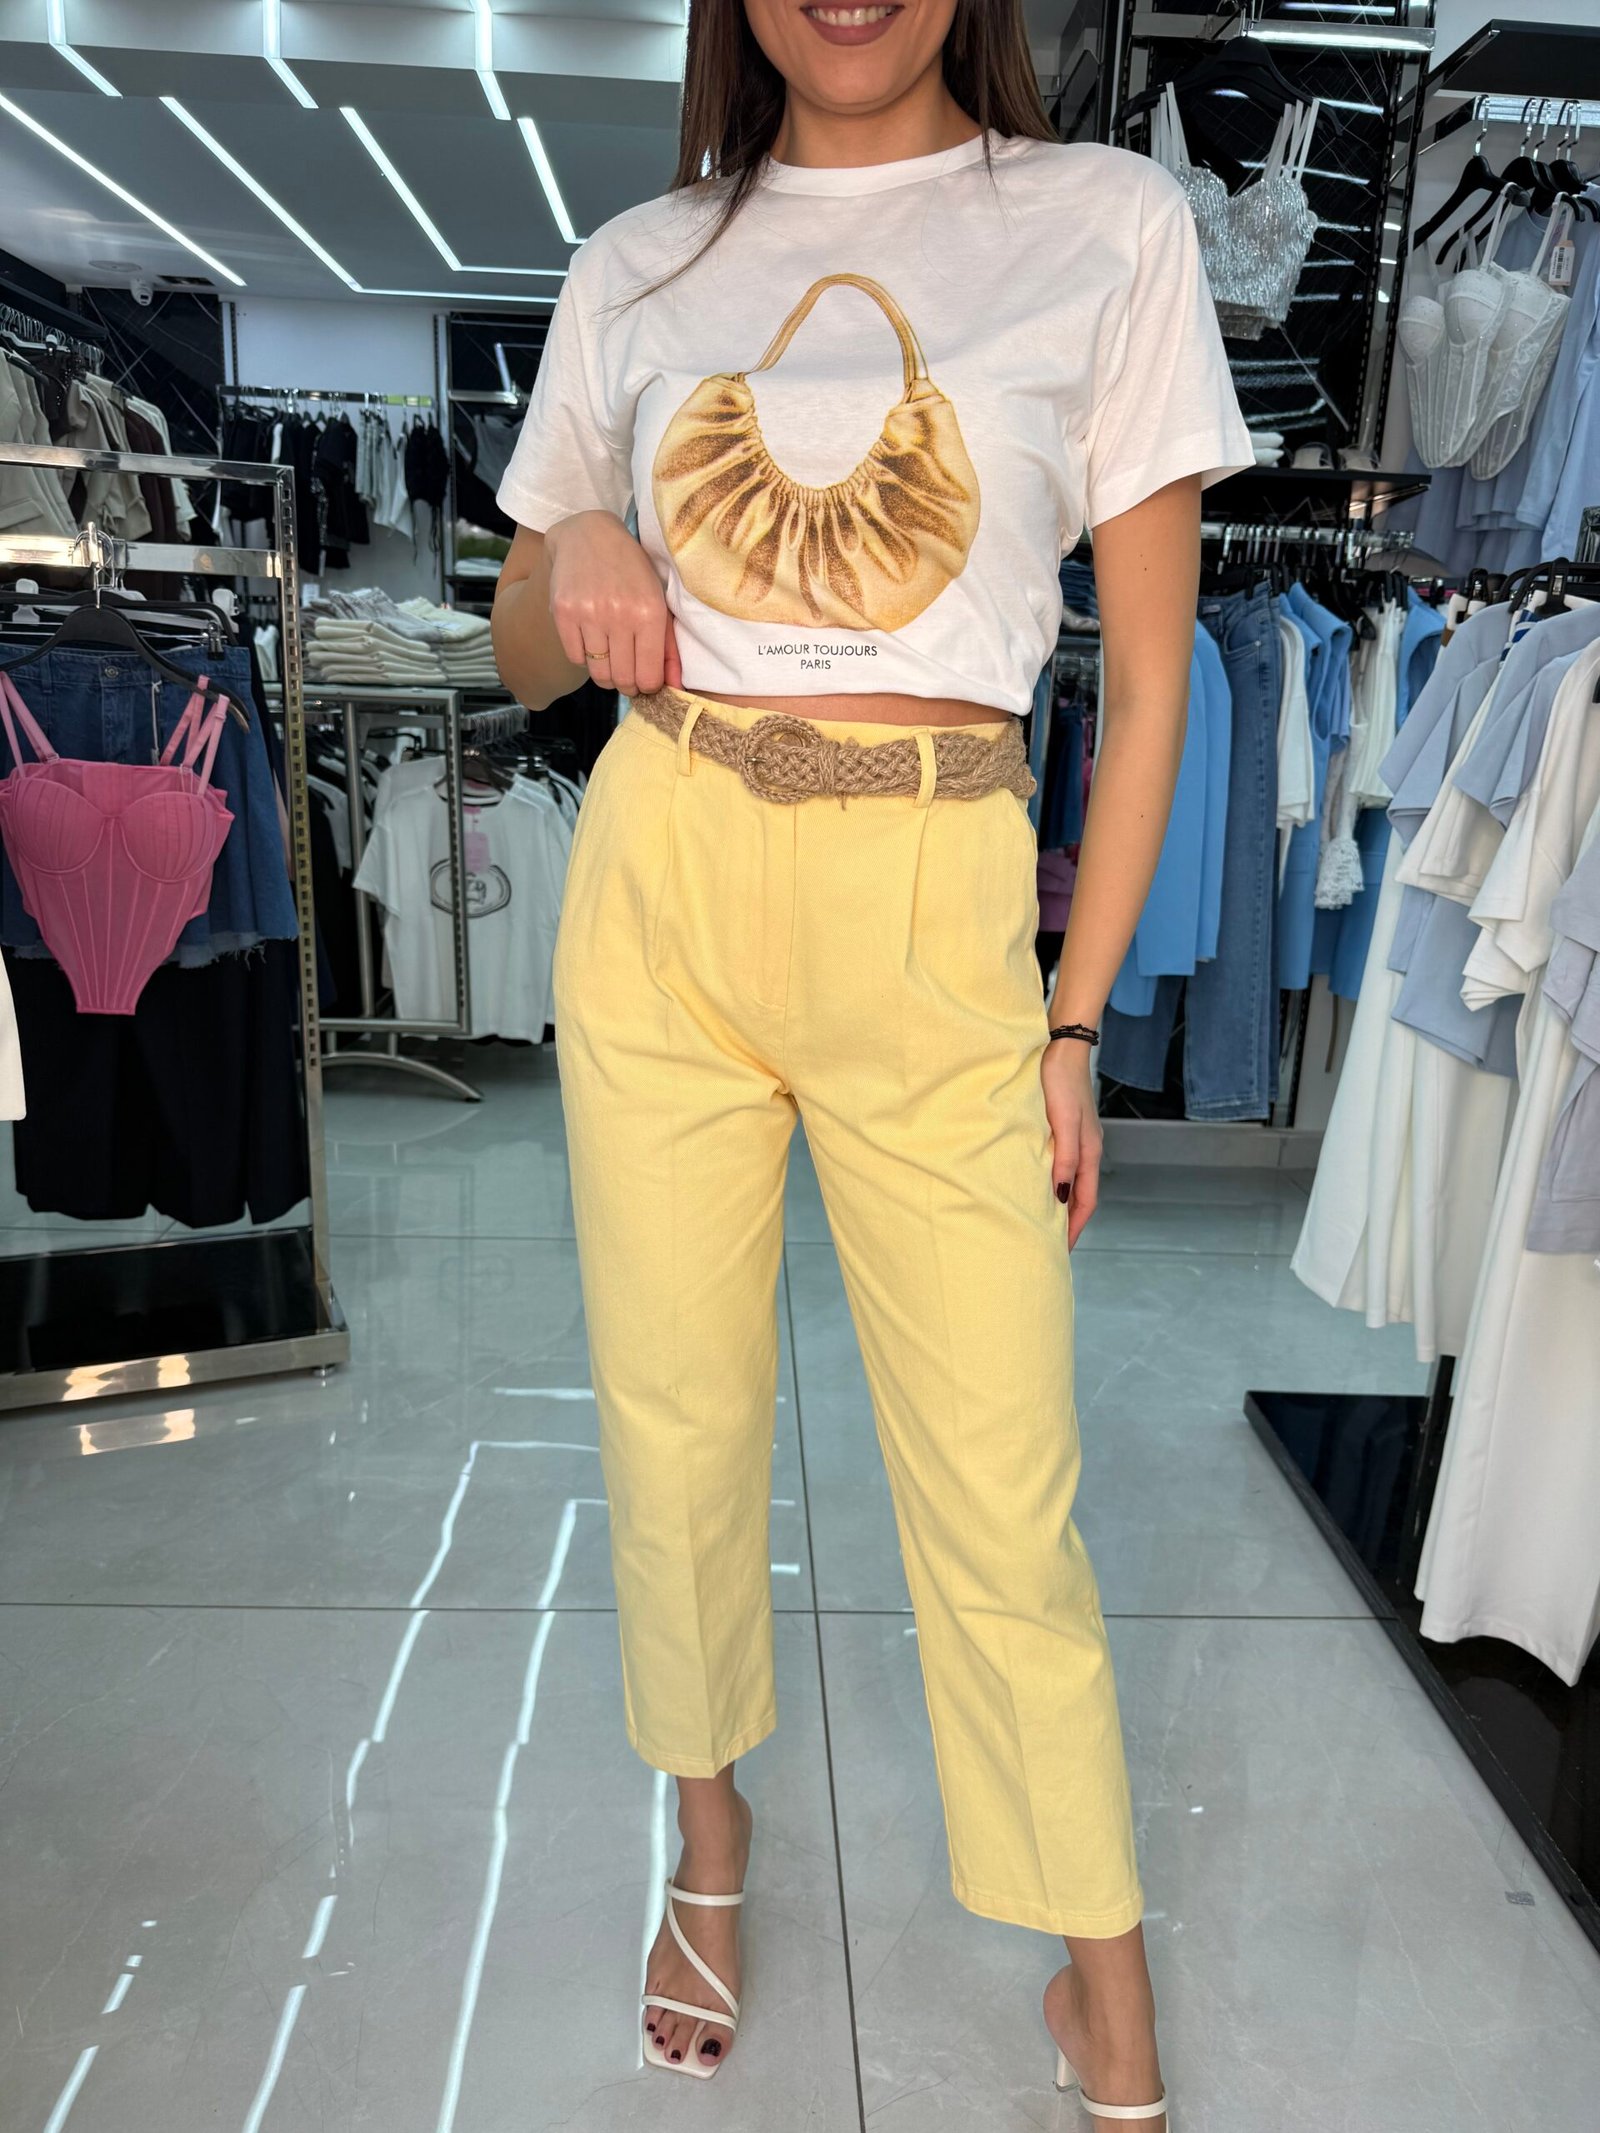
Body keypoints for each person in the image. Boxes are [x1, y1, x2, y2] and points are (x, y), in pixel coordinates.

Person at [492, 0, 1250, 2116]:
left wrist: (1075, 1019)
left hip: (936, 885)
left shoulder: (1102, 223)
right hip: (670, 861)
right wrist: (575, 552)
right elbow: (520, 638)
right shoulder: (640, 262)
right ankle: (708, 1838)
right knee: (674, 1415)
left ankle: (1096, 1961)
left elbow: (1153, 673)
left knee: (1001, 1475)